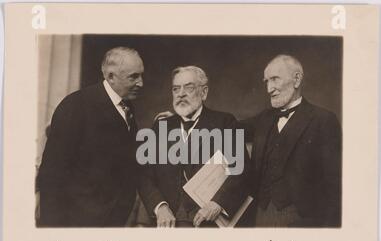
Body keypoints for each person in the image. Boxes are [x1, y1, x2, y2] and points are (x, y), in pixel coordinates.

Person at [37, 47, 144, 227]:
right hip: (75, 224)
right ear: (111, 76)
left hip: (112, 223)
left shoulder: (127, 108)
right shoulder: (75, 106)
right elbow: (52, 175)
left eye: (141, 75)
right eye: (134, 77)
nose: (141, 83)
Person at [138, 66, 248, 228]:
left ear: (203, 92)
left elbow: (241, 170)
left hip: (208, 223)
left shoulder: (224, 122)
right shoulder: (161, 126)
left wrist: (217, 203)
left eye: (188, 87)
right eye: (176, 89)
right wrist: (160, 206)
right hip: (167, 224)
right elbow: (144, 174)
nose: (181, 93)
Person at [245, 54, 341, 227]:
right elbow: (227, 128)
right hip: (260, 215)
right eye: (266, 81)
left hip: (303, 220)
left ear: (296, 79)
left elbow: (334, 184)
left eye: (274, 79)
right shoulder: (264, 119)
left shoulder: (323, 120)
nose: (269, 88)